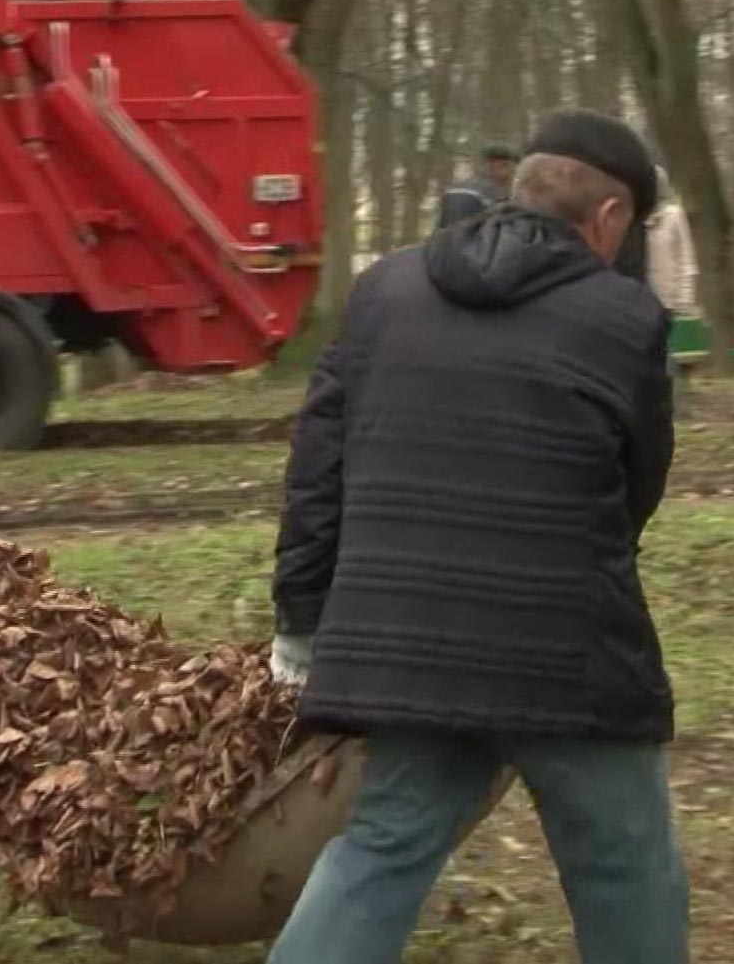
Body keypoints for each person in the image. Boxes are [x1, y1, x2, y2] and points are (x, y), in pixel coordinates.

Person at [266, 110, 685, 964]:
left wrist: (300, 623)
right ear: (608, 219)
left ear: (518, 187)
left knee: (380, 847)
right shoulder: (625, 319)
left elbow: (317, 472)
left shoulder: (383, 292)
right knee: (624, 861)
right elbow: (636, 490)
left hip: (402, 640)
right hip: (569, 650)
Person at [645, 166, 700, 316]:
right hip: (642, 301)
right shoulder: (635, 220)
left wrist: (684, 300)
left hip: (671, 304)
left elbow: (687, 260)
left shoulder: (674, 216)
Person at [434, 142, 518, 230]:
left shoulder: (499, 193)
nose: (512, 173)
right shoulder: (468, 193)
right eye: (507, 166)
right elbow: (457, 232)